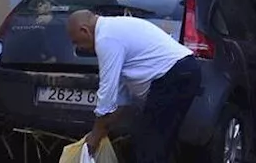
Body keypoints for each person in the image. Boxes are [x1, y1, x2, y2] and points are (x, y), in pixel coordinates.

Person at [66, 10, 202, 163]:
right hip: (182, 73)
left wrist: (95, 136)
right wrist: (106, 127)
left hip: (174, 76)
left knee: (150, 144)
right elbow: (121, 91)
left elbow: (107, 92)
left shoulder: (106, 39)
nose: (79, 47)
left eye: (76, 41)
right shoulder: (112, 29)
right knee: (158, 141)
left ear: (84, 30)